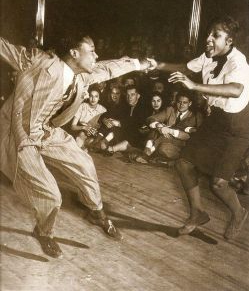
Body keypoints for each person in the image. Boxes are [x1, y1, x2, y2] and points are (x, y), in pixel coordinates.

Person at [0, 33, 156, 258]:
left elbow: (109, 68)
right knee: (52, 195)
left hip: (46, 130)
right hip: (20, 135)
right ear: (74, 53)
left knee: (84, 163)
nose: (97, 55)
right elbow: (5, 47)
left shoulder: (81, 76)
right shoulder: (40, 62)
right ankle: (44, 232)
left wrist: (138, 64)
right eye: (91, 51)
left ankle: (96, 212)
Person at [158, 15, 249, 239]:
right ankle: (197, 213)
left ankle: (239, 212)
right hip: (217, 119)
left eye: (215, 36)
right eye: (209, 34)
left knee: (218, 184)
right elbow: (185, 68)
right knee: (184, 163)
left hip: (239, 125)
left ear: (229, 41)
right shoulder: (209, 55)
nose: (208, 39)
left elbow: (235, 89)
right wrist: (156, 65)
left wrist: (195, 86)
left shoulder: (238, 62)